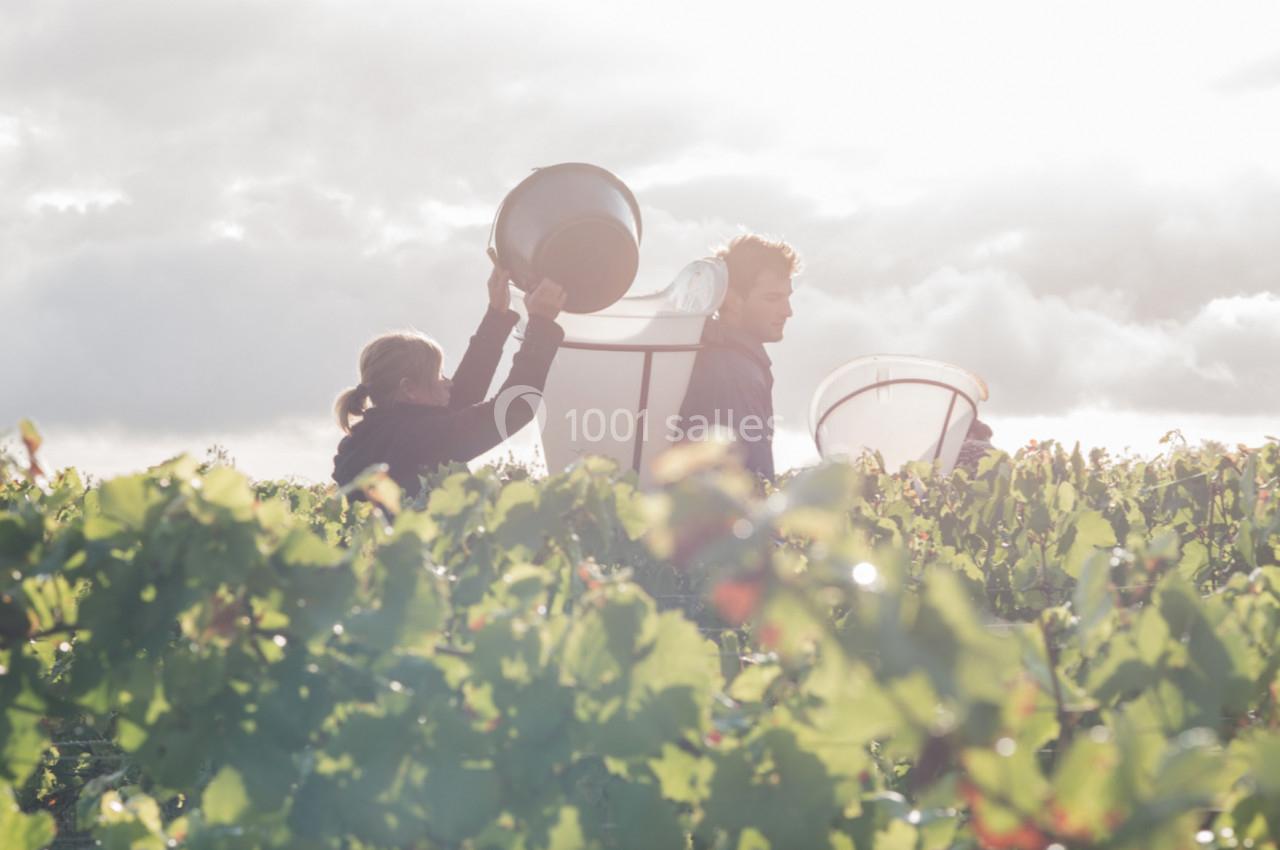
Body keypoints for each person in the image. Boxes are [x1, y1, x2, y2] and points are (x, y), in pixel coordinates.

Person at [332, 258, 566, 499]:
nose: (449, 382)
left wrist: (496, 316)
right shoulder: (420, 439)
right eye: (439, 375)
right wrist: (541, 324)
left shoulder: (363, 442)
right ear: (409, 389)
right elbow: (512, 409)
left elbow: (457, 403)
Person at [676, 234, 799, 481]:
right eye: (772, 298)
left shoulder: (719, 352)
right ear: (731, 300)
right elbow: (750, 477)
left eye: (788, 297)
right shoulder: (735, 373)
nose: (788, 311)